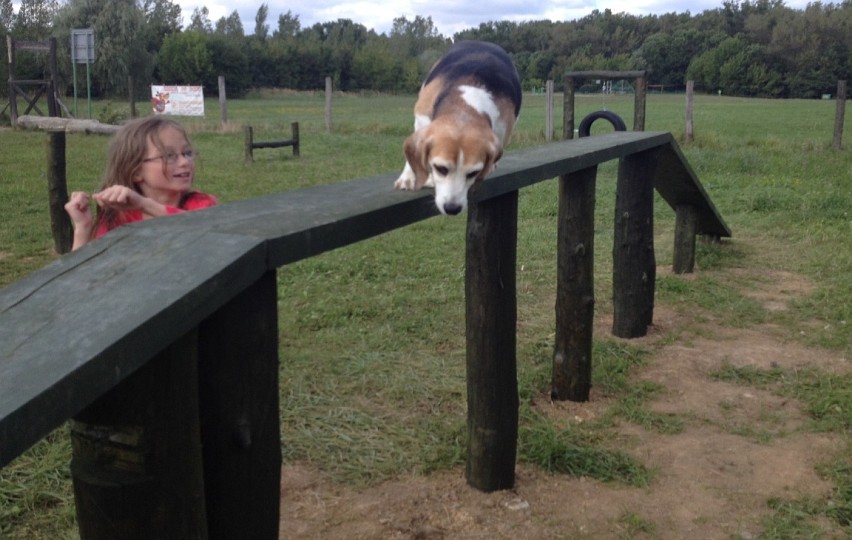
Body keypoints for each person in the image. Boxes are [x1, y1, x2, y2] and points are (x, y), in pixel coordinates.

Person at [64, 116, 217, 251]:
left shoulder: (201, 205)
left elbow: (201, 229)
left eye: (187, 153)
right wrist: (82, 228)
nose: (185, 162)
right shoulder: (120, 217)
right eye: (169, 156)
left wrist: (144, 205)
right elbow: (83, 274)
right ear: (136, 171)